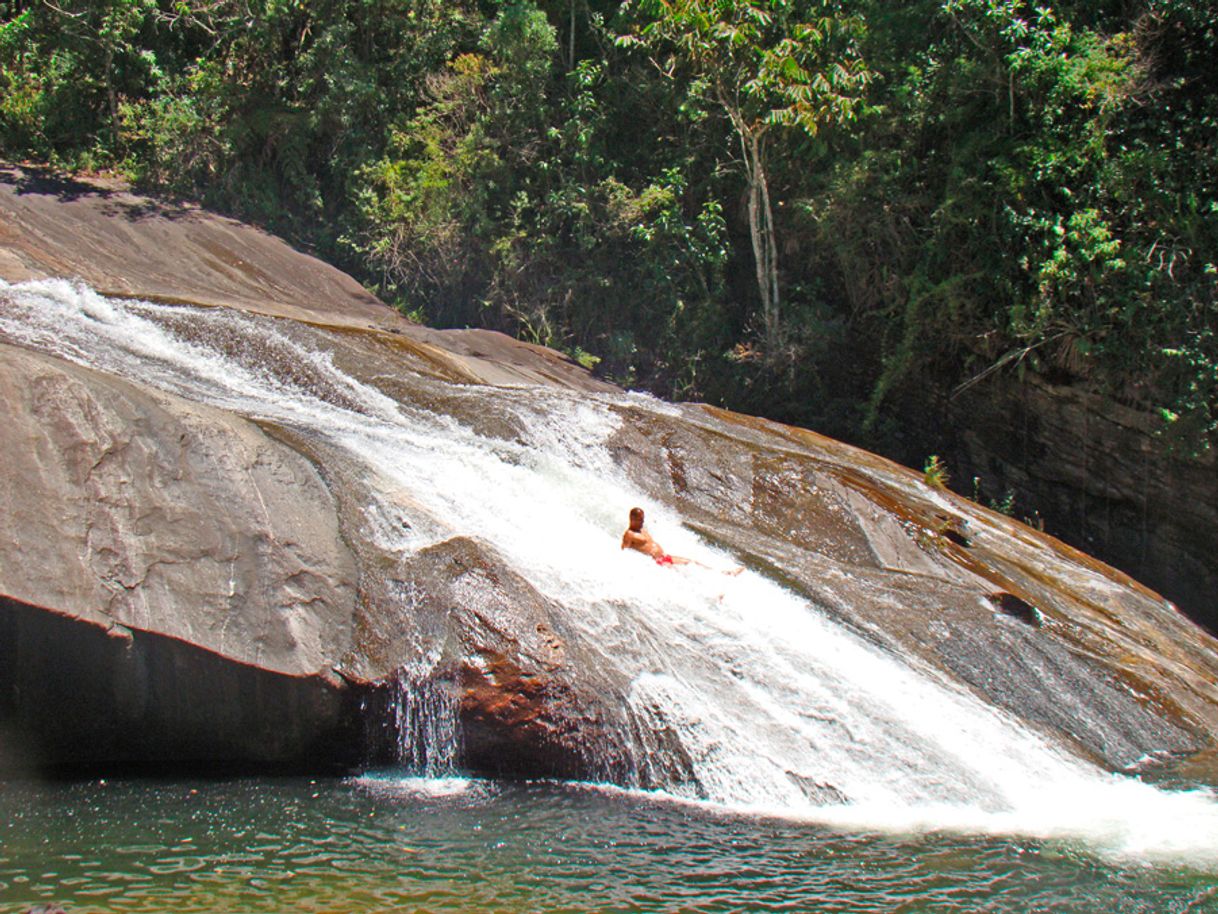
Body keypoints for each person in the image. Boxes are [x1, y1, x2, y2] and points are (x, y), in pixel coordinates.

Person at [620, 507, 741, 574]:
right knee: (684, 574)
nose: (643, 522)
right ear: (632, 519)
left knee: (692, 563)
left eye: (643, 519)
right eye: (640, 520)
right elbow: (624, 553)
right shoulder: (629, 534)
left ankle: (723, 573)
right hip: (657, 563)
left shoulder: (642, 530)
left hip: (664, 557)